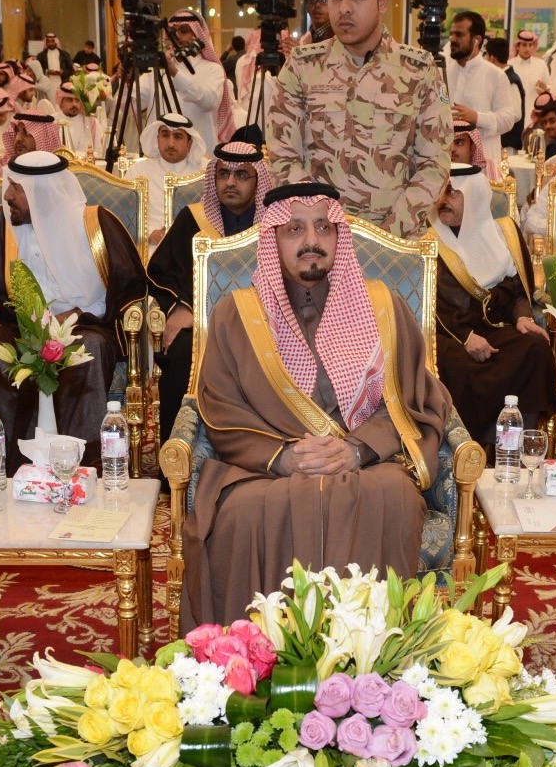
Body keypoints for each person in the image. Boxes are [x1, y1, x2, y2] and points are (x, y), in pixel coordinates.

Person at [182, 183, 450, 628]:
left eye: (324, 227)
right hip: (265, 468)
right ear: (272, 239)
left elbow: (415, 397)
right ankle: (255, 653)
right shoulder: (236, 314)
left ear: (338, 235)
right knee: (242, 513)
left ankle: (373, 653)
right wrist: (282, 457)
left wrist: (358, 449)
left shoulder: (384, 306)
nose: (312, 240)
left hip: (367, 464)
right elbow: (220, 407)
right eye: (295, 229)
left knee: (396, 497)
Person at [0, 150, 145, 472]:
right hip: (16, 326)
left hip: (83, 326)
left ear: (43, 193)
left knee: (89, 348)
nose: (7, 196)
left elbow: (129, 286)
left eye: (17, 189)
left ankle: (83, 465)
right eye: (9, 186)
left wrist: (74, 316)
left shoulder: (95, 226)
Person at [268, 0, 450, 238]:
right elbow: (282, 155)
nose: (343, 8)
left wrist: (387, 235)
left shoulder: (419, 71)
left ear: (382, 2)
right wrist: (325, 228)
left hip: (395, 242)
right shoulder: (302, 66)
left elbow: (434, 164)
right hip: (316, 240)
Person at [147, 134, 273, 440]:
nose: (230, 182)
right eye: (223, 173)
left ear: (258, 180)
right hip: (200, 325)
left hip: (264, 323)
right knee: (180, 353)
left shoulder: (274, 225)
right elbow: (162, 273)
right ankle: (176, 454)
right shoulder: (193, 219)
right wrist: (182, 306)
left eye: (241, 175)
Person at [431, 162, 554, 442]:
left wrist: (523, 317)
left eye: (453, 192)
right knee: (458, 366)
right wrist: (466, 337)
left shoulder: (502, 233)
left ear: (474, 195)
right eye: (441, 192)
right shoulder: (426, 238)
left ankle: (519, 445)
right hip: (447, 332)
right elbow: (424, 302)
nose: (443, 200)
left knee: (535, 349)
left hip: (494, 327)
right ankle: (467, 447)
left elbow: (517, 289)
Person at [138, 9, 233, 153]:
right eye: (173, 31)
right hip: (160, 156)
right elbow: (135, 102)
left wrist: (175, 73)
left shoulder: (213, 69)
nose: (177, 36)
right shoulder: (158, 68)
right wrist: (128, 78)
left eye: (183, 30)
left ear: (198, 35)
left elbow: (210, 101)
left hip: (198, 155)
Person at [446, 11, 519, 170]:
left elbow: (508, 119)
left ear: (476, 40)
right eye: (452, 34)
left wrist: (477, 117)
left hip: (484, 167)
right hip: (448, 165)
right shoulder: (444, 73)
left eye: (459, 35)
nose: (452, 39)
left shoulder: (495, 75)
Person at [128, 112, 207, 248]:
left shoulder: (205, 171)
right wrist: (149, 233)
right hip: (148, 247)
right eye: (165, 135)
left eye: (178, 137)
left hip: (194, 248)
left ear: (189, 143)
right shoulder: (138, 171)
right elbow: (125, 212)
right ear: (157, 139)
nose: (170, 143)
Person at [54, 80, 104, 158]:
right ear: (61, 103)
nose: (74, 104)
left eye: (77, 100)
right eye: (69, 100)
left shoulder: (92, 123)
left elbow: (99, 153)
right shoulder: (52, 121)